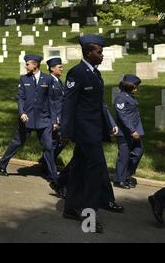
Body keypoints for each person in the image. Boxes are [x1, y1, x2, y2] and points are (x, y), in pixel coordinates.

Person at [60, 35, 123, 233]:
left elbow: (98, 104)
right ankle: (89, 218)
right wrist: (65, 131)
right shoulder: (77, 73)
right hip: (85, 132)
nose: (102, 55)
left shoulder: (95, 74)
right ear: (88, 52)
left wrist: (109, 124)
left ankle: (70, 208)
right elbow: (68, 104)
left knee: (78, 169)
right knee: (95, 173)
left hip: (94, 130)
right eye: (99, 52)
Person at [0, 54, 58, 184]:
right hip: (27, 118)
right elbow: (20, 98)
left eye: (28, 64)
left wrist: (54, 120)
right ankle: (2, 163)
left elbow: (52, 101)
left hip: (44, 119)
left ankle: (53, 176)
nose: (26, 66)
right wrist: (21, 112)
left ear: (35, 65)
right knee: (18, 142)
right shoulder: (24, 79)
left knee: (48, 146)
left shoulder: (47, 79)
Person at [113, 74, 144, 189]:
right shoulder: (120, 98)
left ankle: (126, 175)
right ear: (128, 86)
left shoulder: (130, 96)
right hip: (125, 132)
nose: (136, 89)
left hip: (135, 131)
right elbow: (123, 116)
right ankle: (119, 179)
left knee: (138, 151)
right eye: (135, 86)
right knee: (124, 156)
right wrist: (132, 131)